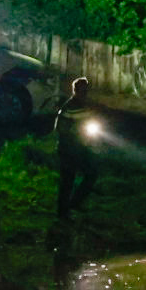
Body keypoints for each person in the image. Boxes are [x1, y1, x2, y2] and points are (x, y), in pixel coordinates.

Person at [54, 76, 102, 219]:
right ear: (75, 91)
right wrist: (74, 136)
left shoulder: (86, 106)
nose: (84, 93)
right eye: (82, 90)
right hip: (68, 148)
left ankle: (74, 203)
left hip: (81, 147)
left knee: (91, 174)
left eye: (85, 90)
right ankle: (63, 212)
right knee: (68, 181)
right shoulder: (68, 107)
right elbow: (60, 128)